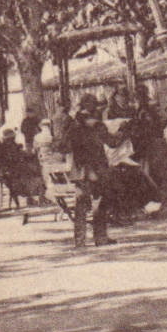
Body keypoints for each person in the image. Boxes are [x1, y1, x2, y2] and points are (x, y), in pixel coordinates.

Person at [64, 95, 114, 248]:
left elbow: (64, 146)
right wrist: (123, 131)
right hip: (96, 169)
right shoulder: (98, 125)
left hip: (80, 171)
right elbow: (112, 142)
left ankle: (80, 240)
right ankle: (100, 238)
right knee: (99, 203)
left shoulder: (72, 125)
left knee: (80, 205)